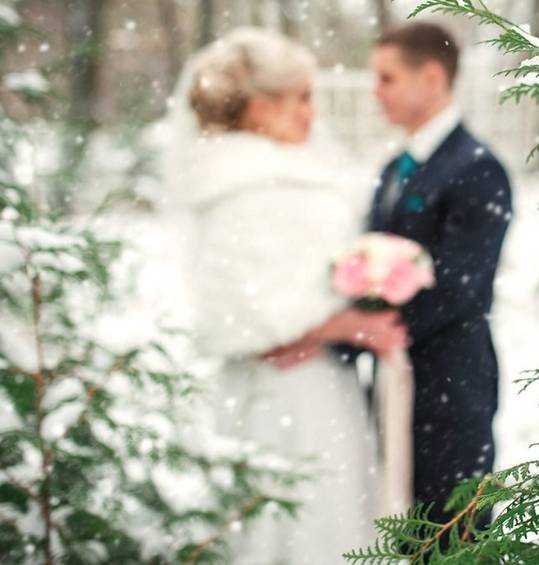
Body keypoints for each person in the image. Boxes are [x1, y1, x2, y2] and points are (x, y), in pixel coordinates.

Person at [161, 28, 405, 563]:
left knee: (293, 523)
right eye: (301, 98)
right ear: (258, 107)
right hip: (292, 395)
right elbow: (244, 310)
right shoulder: (254, 186)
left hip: (291, 388)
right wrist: (343, 324)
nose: (311, 114)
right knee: (307, 525)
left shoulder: (246, 177)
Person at [368, 22, 513, 529]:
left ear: (431, 78)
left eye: (386, 78)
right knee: (398, 526)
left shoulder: (476, 169)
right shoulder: (393, 170)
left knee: (451, 532)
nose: (375, 92)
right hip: (392, 380)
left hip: (451, 384)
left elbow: (459, 285)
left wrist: (373, 330)